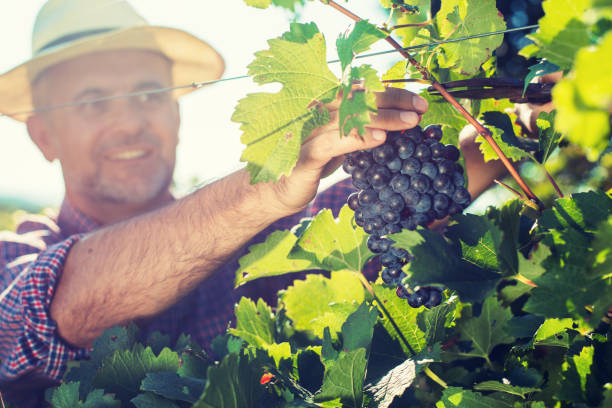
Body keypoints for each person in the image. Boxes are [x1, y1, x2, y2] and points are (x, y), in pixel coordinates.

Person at [0, 0, 507, 406]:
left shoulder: (262, 244)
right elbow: (59, 307)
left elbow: (392, 210)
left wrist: (515, 137)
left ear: (177, 113)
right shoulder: (11, 260)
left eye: (150, 93)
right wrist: (266, 181)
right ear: (43, 135)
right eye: (91, 101)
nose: (129, 121)